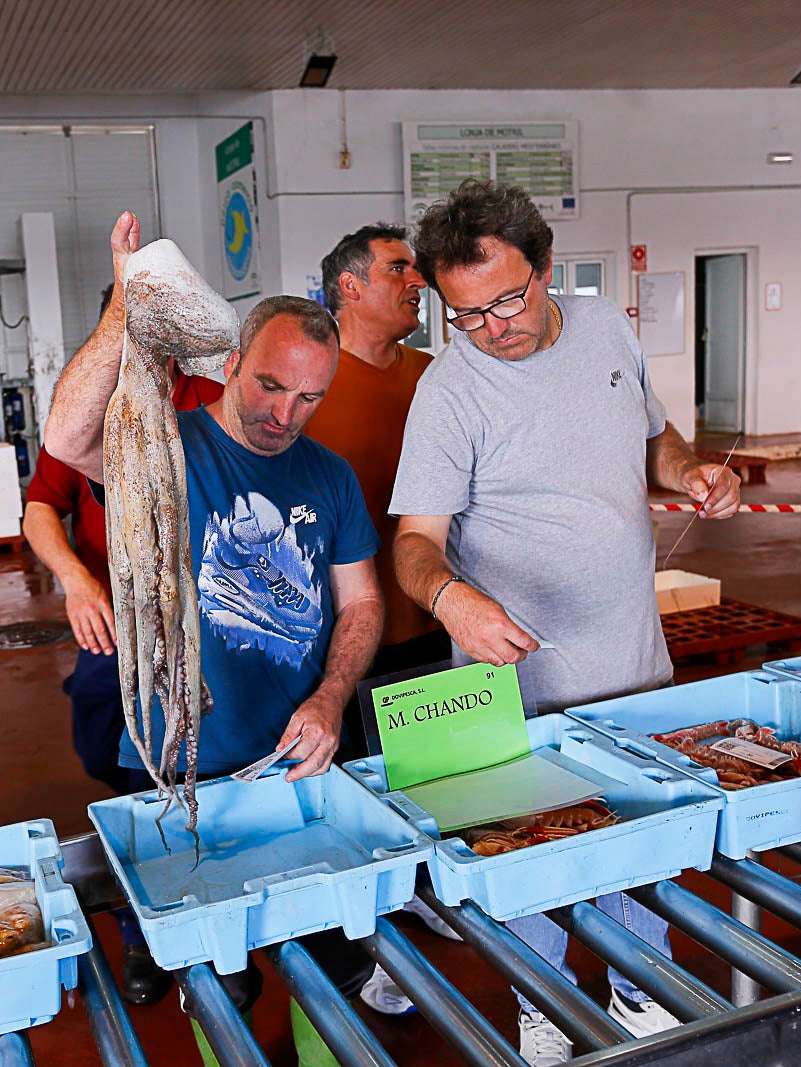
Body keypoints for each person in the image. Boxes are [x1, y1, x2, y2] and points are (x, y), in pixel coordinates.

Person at [389, 180, 740, 1065]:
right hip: (515, 687)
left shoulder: (605, 328)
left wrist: (691, 469)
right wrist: (448, 597)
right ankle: (543, 1008)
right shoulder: (448, 390)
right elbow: (415, 543)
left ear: (544, 269)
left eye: (506, 299)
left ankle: (639, 987)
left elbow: (655, 437)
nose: (492, 327)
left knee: (635, 837)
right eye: (464, 314)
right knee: (528, 858)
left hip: (630, 662)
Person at [46, 213, 383, 1067]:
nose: (284, 413)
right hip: (181, 761)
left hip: (295, 762)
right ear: (230, 362)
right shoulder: (164, 441)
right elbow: (66, 440)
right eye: (270, 385)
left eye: (309, 397)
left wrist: (331, 695)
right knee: (215, 971)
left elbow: (363, 602)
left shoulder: (329, 475)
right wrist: (127, 305)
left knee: (324, 956)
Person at [21, 284, 222, 1004]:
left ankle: (153, 933)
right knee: (106, 740)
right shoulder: (87, 407)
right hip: (112, 619)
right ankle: (147, 866)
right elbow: (41, 504)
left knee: (166, 769)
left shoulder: (206, 397)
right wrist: (77, 581)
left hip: (197, 620)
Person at [308, 227, 465, 1006]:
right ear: (348, 287)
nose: (417, 280)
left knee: (427, 783)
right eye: (397, 268)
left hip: (427, 621)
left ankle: (420, 896)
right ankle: (368, 950)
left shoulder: (435, 377)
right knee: (350, 801)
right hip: (335, 635)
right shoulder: (308, 381)